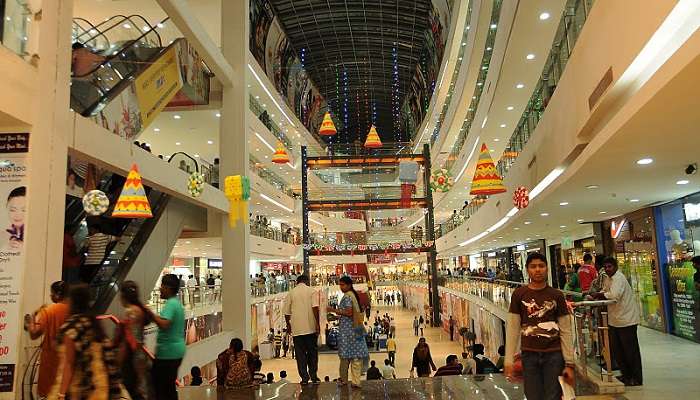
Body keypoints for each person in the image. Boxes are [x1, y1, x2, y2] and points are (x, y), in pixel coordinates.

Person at [505, 253, 574, 400]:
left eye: (541, 266)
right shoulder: (519, 294)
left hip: (554, 355)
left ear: (547, 268)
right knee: (532, 396)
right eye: (533, 266)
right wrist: (509, 359)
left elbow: (566, 330)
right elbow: (512, 328)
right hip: (529, 355)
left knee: (553, 396)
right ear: (527, 269)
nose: (538, 270)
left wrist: (569, 362)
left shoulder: (557, 295)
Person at [50, 284, 123, 399]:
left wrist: (61, 394)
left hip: (80, 387)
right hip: (99, 386)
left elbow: (69, 365)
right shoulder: (95, 324)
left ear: (72, 301)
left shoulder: (72, 326)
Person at [591, 257, 643, 386]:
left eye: (610, 267)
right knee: (618, 351)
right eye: (606, 267)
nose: (608, 269)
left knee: (630, 351)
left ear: (615, 267)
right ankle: (626, 375)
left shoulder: (619, 278)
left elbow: (614, 295)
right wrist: (597, 294)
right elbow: (605, 290)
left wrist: (600, 295)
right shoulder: (608, 279)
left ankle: (636, 378)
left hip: (626, 320)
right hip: (614, 320)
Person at [23, 281, 69, 398]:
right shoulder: (75, 310)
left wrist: (31, 321)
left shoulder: (49, 311)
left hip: (52, 361)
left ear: (58, 294)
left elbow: (34, 334)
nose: (50, 296)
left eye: (52, 293)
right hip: (70, 363)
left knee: (50, 394)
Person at [145, 273, 186, 400]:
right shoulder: (176, 303)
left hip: (168, 353)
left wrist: (150, 313)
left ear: (168, 288)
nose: (160, 288)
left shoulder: (171, 304)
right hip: (174, 352)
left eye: (162, 285)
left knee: (161, 388)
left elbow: (164, 324)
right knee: (168, 388)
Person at [327, 276, 369, 388]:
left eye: (343, 284)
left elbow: (349, 313)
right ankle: (356, 381)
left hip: (348, 332)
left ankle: (344, 380)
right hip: (356, 330)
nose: (341, 287)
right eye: (340, 284)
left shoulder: (347, 297)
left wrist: (333, 310)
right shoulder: (353, 295)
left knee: (345, 357)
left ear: (349, 285)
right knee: (356, 358)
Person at [283, 274, 321, 384]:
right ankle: (313, 377)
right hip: (310, 328)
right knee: (312, 353)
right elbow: (315, 308)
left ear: (297, 282)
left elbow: (286, 312)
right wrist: (317, 324)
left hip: (297, 330)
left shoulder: (291, 293)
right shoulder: (312, 291)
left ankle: (304, 378)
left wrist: (289, 325)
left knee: (300, 355)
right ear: (306, 281)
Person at [118, 281, 151, 400]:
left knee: (133, 392)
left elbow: (130, 341)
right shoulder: (139, 310)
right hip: (139, 357)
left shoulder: (131, 312)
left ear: (123, 296)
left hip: (132, 360)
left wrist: (119, 360)